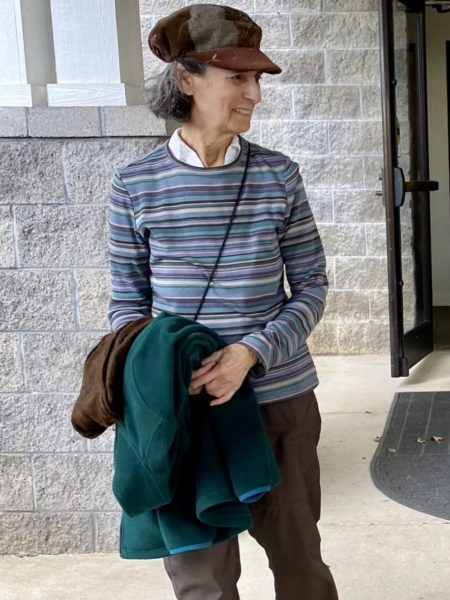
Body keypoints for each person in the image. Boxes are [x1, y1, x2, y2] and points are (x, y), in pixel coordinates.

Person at [107, 4, 338, 598]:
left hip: (278, 402)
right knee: (202, 581)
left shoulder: (279, 176)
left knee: (300, 564)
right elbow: (127, 308)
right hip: (184, 412)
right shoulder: (135, 185)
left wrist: (249, 354)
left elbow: (311, 286)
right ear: (187, 78)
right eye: (238, 77)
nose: (254, 94)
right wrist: (163, 371)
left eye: (257, 79)